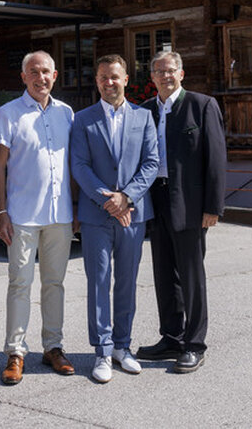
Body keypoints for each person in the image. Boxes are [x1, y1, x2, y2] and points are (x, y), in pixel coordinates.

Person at [136, 51, 228, 374]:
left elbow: (216, 159)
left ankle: (195, 344)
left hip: (190, 205)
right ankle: (171, 337)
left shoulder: (201, 106)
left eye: (170, 70)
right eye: (159, 71)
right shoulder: (146, 110)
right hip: (156, 201)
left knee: (191, 276)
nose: (165, 76)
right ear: (152, 77)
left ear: (181, 73)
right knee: (163, 273)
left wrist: (212, 207)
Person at [70, 54, 159, 384]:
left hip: (133, 215)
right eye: (104, 77)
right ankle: (102, 351)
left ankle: (123, 346)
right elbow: (79, 165)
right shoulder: (83, 119)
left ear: (126, 79)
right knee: (99, 283)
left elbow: (151, 163)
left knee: (126, 282)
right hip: (97, 215)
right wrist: (107, 199)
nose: (110, 82)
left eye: (115, 77)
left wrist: (127, 197)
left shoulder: (143, 117)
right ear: (97, 81)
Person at [0, 50, 76, 385]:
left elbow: (73, 166)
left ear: (55, 76)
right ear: (23, 77)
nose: (41, 78)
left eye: (47, 72)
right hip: (22, 215)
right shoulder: (9, 114)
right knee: (20, 284)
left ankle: (53, 347)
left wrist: (78, 207)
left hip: (61, 215)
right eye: (34, 72)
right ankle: (15, 351)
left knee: (54, 284)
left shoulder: (67, 113)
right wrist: (0, 212)